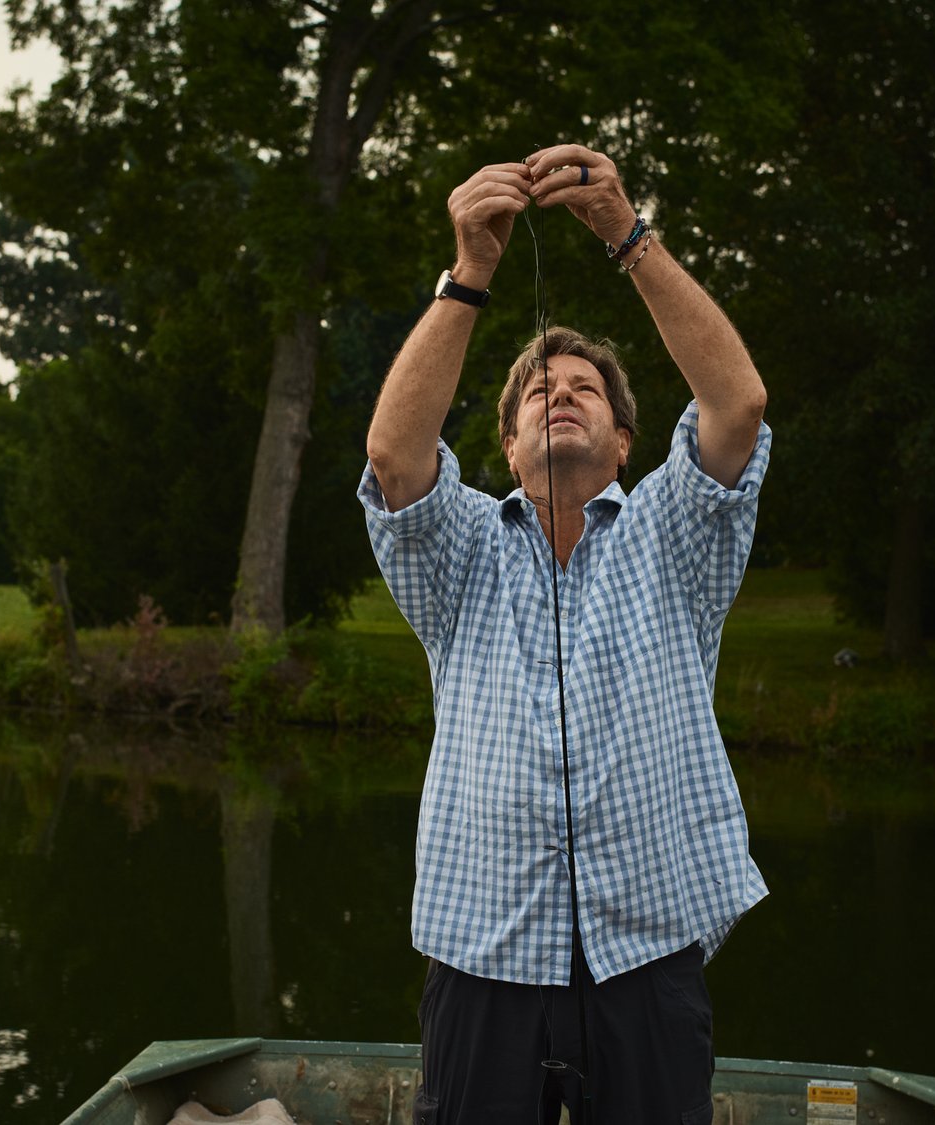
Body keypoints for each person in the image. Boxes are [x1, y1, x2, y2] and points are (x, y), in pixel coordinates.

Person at [359, 143, 771, 1124]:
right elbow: (393, 451)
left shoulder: (676, 535)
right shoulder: (459, 556)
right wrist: (470, 273)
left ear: (627, 442)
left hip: (647, 959)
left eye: (585, 386)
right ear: (506, 448)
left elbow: (738, 403)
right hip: (483, 958)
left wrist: (626, 234)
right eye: (537, 391)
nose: (560, 391)